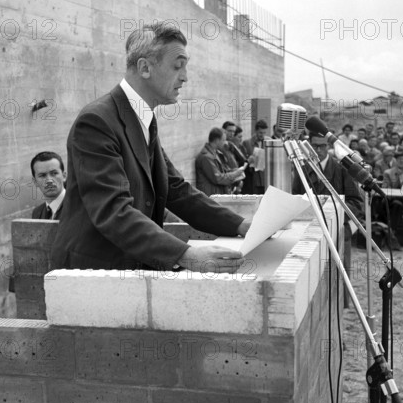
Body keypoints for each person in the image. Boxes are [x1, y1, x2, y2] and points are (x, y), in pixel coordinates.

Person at [50, 22, 250, 273]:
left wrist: (241, 226)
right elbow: (113, 211)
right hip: (92, 273)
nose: (185, 76)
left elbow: (176, 190)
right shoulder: (97, 122)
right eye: (178, 66)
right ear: (145, 67)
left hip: (129, 270)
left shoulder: (144, 119)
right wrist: (187, 255)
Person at [292, 126, 364, 307]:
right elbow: (295, 199)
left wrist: (336, 216)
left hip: (337, 230)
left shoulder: (341, 169)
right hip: (310, 232)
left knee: (339, 278)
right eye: (314, 146)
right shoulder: (302, 169)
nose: (318, 150)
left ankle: (340, 306)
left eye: (322, 146)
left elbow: (356, 202)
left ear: (328, 147)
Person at [195, 128, 246, 196]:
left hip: (217, 195)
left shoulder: (217, 153)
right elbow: (218, 178)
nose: (225, 143)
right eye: (224, 140)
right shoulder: (206, 158)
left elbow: (224, 171)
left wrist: (236, 171)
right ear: (216, 141)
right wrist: (235, 174)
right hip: (210, 198)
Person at [30, 151, 67, 220]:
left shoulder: (80, 207)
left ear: (64, 176)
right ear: (35, 182)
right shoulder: (37, 213)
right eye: (42, 175)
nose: (49, 181)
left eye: (54, 173)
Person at [243, 119, 270, 195]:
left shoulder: (269, 141)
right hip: (254, 178)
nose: (262, 135)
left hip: (266, 177)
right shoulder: (247, 143)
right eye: (260, 133)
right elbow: (243, 161)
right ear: (255, 131)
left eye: (264, 132)